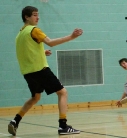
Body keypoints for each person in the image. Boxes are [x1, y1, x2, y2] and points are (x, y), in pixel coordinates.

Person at [8, 6, 83, 136]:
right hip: (40, 70)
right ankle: (63, 126)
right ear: (27, 17)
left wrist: (42, 52)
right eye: (35, 15)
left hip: (28, 72)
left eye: (38, 14)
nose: (38, 17)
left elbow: (25, 52)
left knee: (35, 97)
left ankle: (15, 121)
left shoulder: (20, 34)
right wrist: (71, 37)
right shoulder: (34, 30)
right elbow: (50, 42)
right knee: (63, 93)